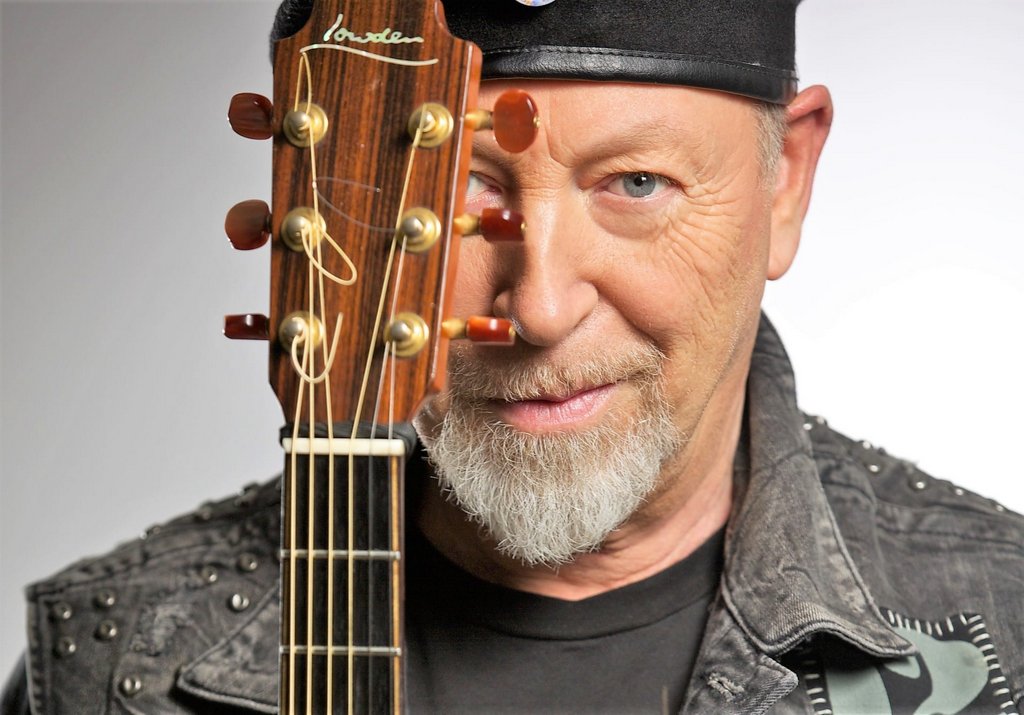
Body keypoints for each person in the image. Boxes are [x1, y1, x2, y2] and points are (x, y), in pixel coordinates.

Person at [4, 1, 1022, 713]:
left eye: (635, 183)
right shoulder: (105, 666)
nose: (538, 307)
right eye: (451, 193)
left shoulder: (1005, 626)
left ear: (786, 180)